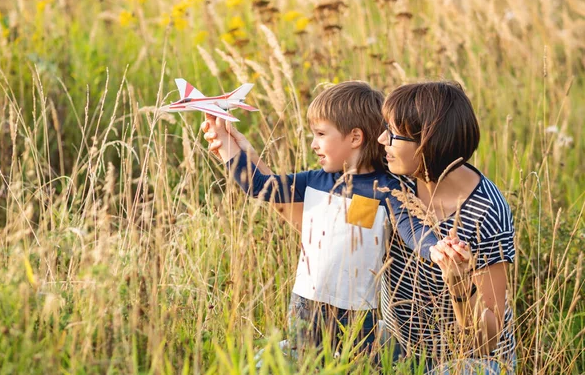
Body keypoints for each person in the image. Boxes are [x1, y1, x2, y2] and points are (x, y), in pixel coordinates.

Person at [202, 81, 438, 358]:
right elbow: (259, 186)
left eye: (321, 134)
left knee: (354, 364)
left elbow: (414, 231)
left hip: (357, 309)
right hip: (307, 300)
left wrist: (436, 249)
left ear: (354, 138)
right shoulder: (314, 181)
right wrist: (227, 144)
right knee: (305, 360)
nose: (313, 144)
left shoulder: (385, 189)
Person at [377, 81, 516, 374]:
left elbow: (486, 342)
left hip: (470, 363)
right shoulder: (394, 180)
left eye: (392, 134)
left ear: (428, 142)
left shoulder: (486, 212)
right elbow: (344, 230)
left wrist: (460, 286)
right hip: (399, 350)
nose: (381, 139)